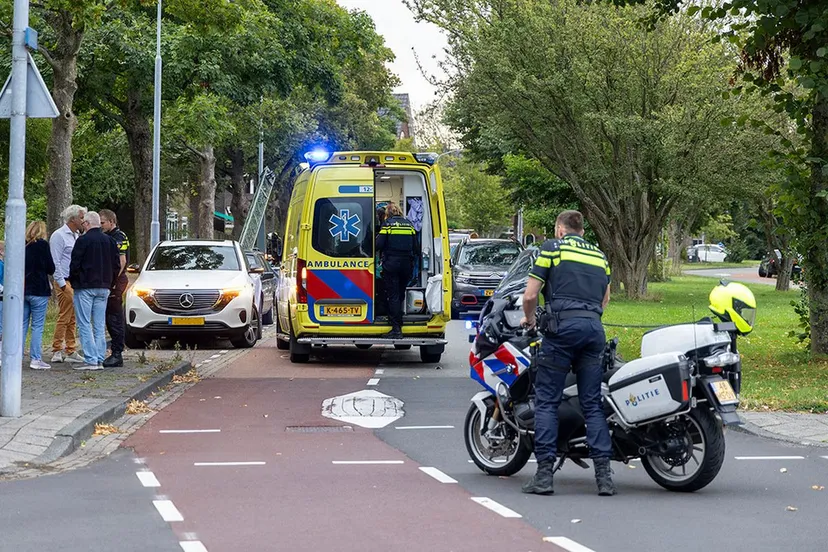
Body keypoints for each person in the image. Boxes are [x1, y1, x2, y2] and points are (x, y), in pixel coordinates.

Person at [520, 210, 616, 497]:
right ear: (582, 231)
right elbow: (605, 299)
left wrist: (530, 319)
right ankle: (604, 479)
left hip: (561, 331)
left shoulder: (552, 248)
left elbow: (530, 295)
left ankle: (544, 475)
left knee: (547, 401)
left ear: (560, 230)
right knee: (592, 404)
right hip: (593, 331)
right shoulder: (600, 256)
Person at [69, 211, 120, 370]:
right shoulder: (110, 241)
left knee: (84, 323)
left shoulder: (83, 240)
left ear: (87, 223)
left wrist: (74, 280)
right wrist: (110, 282)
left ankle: (91, 359)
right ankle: (99, 357)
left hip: (85, 286)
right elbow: (116, 265)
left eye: (84, 223)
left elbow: (75, 264)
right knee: (99, 324)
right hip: (104, 287)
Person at [49, 204, 87, 364]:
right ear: (73, 219)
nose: (83, 220)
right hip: (64, 280)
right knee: (65, 315)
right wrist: (61, 283)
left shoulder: (76, 236)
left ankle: (70, 348)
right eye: (81, 217)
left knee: (72, 316)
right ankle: (57, 349)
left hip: (74, 280)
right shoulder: (59, 236)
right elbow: (55, 261)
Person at [376, 203, 418, 339]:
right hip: (407, 265)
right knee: (400, 294)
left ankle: (396, 329)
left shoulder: (387, 225)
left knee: (393, 295)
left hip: (391, 265)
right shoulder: (409, 225)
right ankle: (398, 321)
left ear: (387, 213)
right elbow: (416, 247)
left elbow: (378, 245)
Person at [23, 221, 56, 370]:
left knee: (22, 324)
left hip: (24, 289)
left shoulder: (23, 245)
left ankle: (16, 356)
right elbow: (51, 268)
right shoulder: (43, 245)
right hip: (39, 289)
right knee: (37, 326)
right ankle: (35, 358)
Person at [100, 209, 129, 368]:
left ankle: (117, 353)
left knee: (114, 317)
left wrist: (112, 281)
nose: (101, 225)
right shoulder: (109, 236)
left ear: (111, 221)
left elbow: (121, 261)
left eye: (103, 222)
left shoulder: (119, 237)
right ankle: (115, 350)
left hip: (116, 281)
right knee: (110, 317)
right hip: (112, 281)